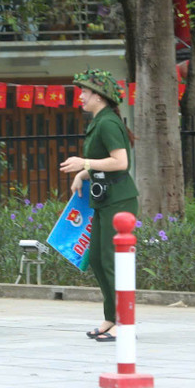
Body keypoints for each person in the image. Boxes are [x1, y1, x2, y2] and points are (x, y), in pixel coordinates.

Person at [59, 68, 138, 343]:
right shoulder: (100, 121)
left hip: (119, 201)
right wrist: (84, 174)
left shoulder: (107, 123)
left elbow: (121, 162)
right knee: (96, 258)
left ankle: (124, 322)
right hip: (105, 199)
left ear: (99, 96)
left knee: (111, 259)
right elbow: (103, 161)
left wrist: (84, 163)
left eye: (85, 91)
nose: (81, 96)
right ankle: (111, 317)